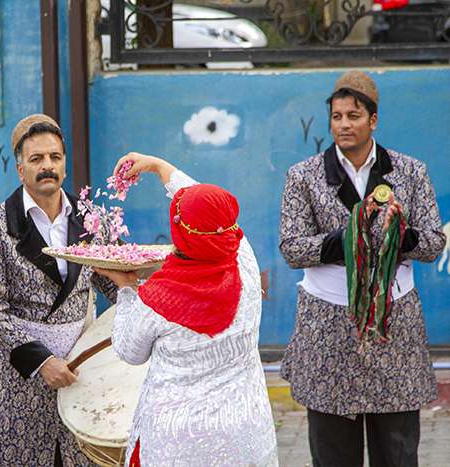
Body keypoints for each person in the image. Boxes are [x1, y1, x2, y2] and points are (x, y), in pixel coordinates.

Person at [278, 71, 446, 467]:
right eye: (336, 117)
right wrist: (351, 237)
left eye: (353, 116)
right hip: (327, 325)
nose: (343, 125)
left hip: (394, 322)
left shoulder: (409, 172)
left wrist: (399, 238)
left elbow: (434, 241)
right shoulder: (302, 176)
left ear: (373, 120)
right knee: (333, 451)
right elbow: (291, 248)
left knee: (398, 449)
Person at [94, 153, 278, 466]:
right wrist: (161, 167)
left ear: (181, 233)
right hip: (244, 432)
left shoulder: (158, 297)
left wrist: (126, 288)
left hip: (177, 442)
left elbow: (129, 351)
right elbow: (211, 215)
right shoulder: (243, 261)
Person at [0, 114, 117, 466]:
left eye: (55, 157)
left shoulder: (92, 218)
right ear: (20, 170)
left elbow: (115, 280)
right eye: (36, 159)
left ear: (65, 163)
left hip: (80, 371)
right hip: (18, 375)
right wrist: (41, 361)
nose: (47, 166)